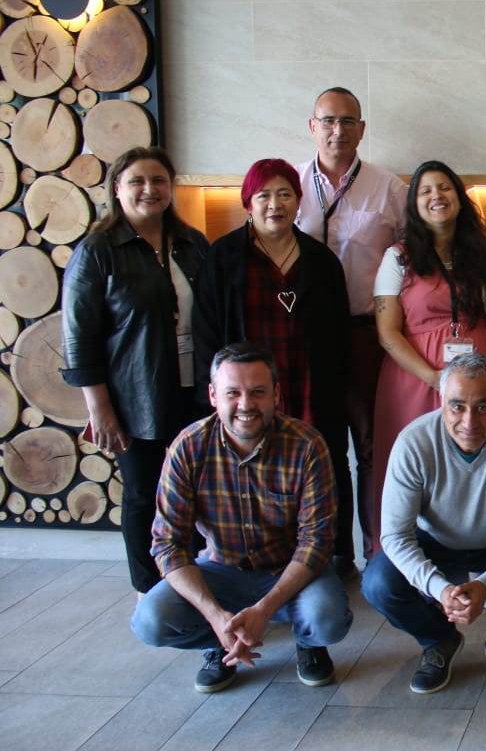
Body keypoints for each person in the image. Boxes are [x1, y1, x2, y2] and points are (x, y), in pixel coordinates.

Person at [130, 343, 352, 693]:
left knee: (328, 619)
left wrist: (263, 610)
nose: (246, 404)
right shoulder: (187, 447)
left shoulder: (307, 445)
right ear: (213, 396)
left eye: (258, 392)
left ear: (276, 394)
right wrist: (215, 615)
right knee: (150, 622)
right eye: (232, 393)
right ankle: (220, 641)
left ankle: (307, 642)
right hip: (220, 568)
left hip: (288, 569)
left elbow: (317, 542)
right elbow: (168, 544)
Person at [361, 353, 486, 696]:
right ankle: (438, 639)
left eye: (483, 407)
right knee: (378, 583)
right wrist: (439, 589)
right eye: (457, 407)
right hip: (435, 541)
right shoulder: (413, 442)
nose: (469, 421)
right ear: (441, 402)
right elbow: (395, 535)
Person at [192, 158, 354, 576]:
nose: (274, 204)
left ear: (298, 201)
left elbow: (340, 332)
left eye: (284, 194)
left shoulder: (320, 260)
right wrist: (218, 393)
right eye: (263, 195)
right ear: (248, 203)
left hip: (309, 383)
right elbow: (207, 330)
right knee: (251, 467)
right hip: (249, 390)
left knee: (323, 462)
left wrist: (339, 388)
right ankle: (252, 560)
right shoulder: (224, 256)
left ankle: (332, 556)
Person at [62, 147, 209, 594]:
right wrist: (100, 408)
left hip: (196, 391)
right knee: (145, 492)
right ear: (117, 189)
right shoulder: (98, 251)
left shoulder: (192, 243)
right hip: (136, 395)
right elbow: (79, 337)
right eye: (137, 181)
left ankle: (200, 582)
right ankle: (151, 590)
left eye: (159, 180)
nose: (150, 189)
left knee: (197, 489)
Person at [372, 160, 486, 554]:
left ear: (459, 197)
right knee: (418, 466)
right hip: (416, 381)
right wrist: (434, 378)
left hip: (484, 382)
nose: (436, 196)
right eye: (425, 191)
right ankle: (407, 560)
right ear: (414, 204)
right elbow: (387, 332)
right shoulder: (397, 258)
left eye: (444, 188)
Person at [295, 86, 406, 566]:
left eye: (347, 121)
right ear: (312, 127)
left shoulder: (389, 189)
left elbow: (411, 259)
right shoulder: (291, 185)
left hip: (367, 334)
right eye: (328, 120)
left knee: (372, 445)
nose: (337, 130)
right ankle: (330, 557)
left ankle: (379, 552)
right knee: (318, 445)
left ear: (361, 129)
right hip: (308, 337)